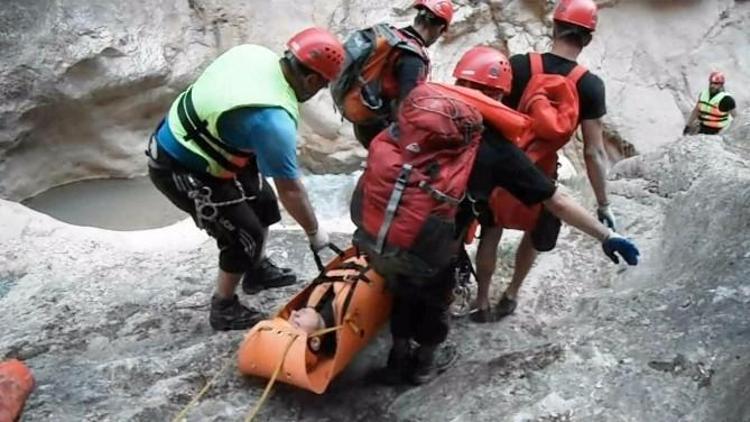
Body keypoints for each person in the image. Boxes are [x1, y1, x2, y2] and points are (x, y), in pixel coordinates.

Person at [363, 46, 640, 384]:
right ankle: (423, 363)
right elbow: (557, 200)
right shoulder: (491, 144)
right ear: (497, 94)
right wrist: (606, 235)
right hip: (431, 242)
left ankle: (398, 353)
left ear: (460, 78)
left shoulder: (416, 108)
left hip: (377, 229)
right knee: (435, 294)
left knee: (403, 286)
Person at [146, 28, 345, 331]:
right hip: (181, 165)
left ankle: (255, 270)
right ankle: (223, 306)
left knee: (265, 204)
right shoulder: (273, 121)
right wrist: (315, 233)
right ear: (312, 80)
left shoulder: (256, 53)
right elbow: (291, 191)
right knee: (245, 236)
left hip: (207, 142)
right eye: (321, 86)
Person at [471, 0, 617, 322]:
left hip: (501, 167)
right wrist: (603, 204)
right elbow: (594, 152)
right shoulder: (590, 85)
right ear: (588, 38)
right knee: (534, 236)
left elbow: (490, 115)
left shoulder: (520, 66)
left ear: (554, 27)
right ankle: (511, 294)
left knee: (491, 231)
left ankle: (481, 301)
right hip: (543, 175)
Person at [348, 0, 454, 148]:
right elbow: (407, 107)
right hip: (381, 128)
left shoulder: (393, 38)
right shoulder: (412, 58)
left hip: (365, 119)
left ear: (418, 17)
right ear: (441, 28)